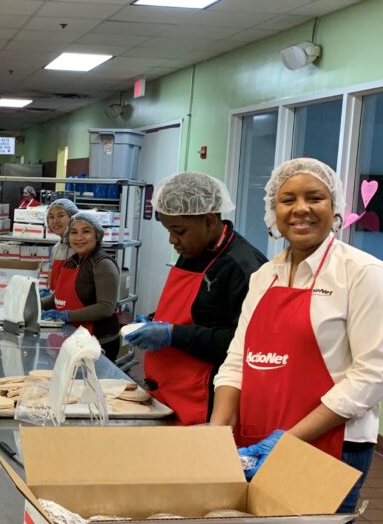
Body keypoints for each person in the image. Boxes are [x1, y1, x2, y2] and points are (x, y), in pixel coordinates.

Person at [212, 157, 383, 524]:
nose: (300, 208)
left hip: (328, 445)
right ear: (273, 212)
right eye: (287, 200)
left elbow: (375, 373)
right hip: (256, 441)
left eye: (315, 197)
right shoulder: (265, 276)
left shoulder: (362, 273)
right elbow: (237, 357)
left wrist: (287, 441)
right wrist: (215, 431)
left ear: (334, 210)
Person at [124, 173, 266, 425]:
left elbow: (241, 345)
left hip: (205, 400)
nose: (172, 240)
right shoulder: (194, 249)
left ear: (210, 220)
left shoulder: (243, 268)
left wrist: (172, 334)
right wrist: (155, 321)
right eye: (168, 230)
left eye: (178, 231)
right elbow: (198, 309)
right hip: (168, 392)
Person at [41, 211, 121, 360]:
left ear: (97, 235)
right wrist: (37, 303)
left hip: (98, 342)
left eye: (86, 231)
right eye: (73, 232)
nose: (79, 238)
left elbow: (106, 307)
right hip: (73, 336)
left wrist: (66, 315)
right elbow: (59, 297)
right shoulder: (72, 262)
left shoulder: (103, 264)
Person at [45, 198, 78, 291]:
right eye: (51, 217)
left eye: (61, 215)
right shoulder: (56, 248)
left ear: (72, 217)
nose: (55, 221)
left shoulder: (79, 248)